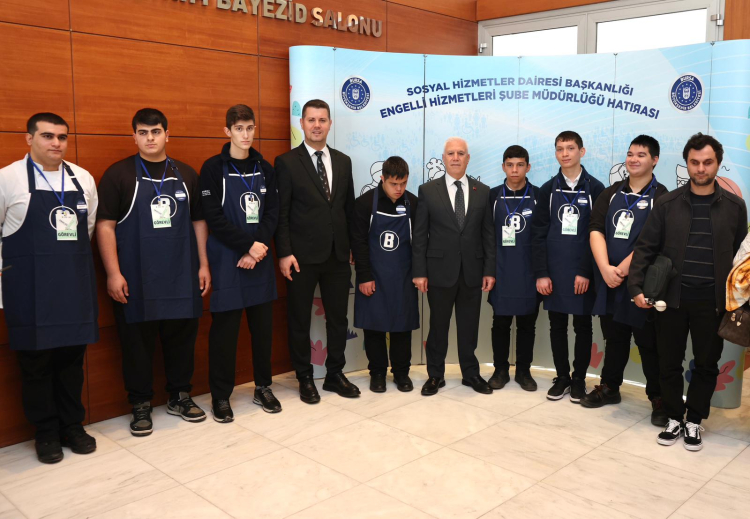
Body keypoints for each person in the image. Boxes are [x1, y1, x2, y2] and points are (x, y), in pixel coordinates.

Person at [96, 108, 211, 436]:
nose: (150, 138)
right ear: (134, 136)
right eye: (143, 132)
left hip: (181, 274)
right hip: (136, 278)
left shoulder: (186, 174)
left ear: (167, 135)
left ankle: (179, 396)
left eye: (156, 131)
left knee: (182, 340)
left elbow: (198, 221)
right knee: (136, 345)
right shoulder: (118, 174)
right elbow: (104, 226)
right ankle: (140, 403)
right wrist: (113, 273)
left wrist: (203, 264)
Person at [629, 133, 747, 451]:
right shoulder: (667, 204)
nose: (700, 168)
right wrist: (636, 286)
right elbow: (645, 247)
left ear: (717, 164)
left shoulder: (735, 207)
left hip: (713, 303)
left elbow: (741, 258)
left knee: (707, 364)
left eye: (707, 162)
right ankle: (673, 417)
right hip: (671, 300)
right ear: (687, 163)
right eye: (694, 162)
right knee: (669, 363)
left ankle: (694, 420)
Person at [0, 113, 99, 463]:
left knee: (71, 362)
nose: (56, 143)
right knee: (36, 364)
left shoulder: (82, 179)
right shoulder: (8, 178)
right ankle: (45, 433)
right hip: (29, 290)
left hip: (73, 285)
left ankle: (73, 426)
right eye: (47, 136)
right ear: (29, 139)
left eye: (62, 136)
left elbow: (87, 228)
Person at [275, 99, 359, 403]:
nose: (316, 125)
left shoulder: (343, 161)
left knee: (338, 319)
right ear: (302, 123)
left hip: (337, 255)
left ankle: (335, 374)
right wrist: (284, 252)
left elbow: (348, 209)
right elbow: (281, 213)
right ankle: (305, 377)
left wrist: (352, 247)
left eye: (322, 120)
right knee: (299, 319)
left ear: (330, 124)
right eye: (311, 120)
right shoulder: (286, 162)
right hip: (300, 257)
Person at [200, 104, 281, 422]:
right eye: (238, 129)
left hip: (259, 261)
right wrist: (247, 246)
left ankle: (263, 387)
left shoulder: (265, 168)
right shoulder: (212, 168)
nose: (245, 134)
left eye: (249, 128)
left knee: (262, 331)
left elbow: (272, 213)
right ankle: (220, 396)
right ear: (227, 131)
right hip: (227, 262)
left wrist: (256, 249)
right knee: (224, 335)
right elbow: (214, 217)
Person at [583, 135, 668, 426]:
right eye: (630, 154)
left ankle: (659, 398)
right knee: (614, 338)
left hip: (642, 285)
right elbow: (595, 229)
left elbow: (655, 240)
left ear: (654, 160)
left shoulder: (662, 196)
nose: (633, 159)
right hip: (610, 281)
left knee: (649, 343)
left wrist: (622, 269)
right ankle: (610, 387)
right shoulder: (610, 193)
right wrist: (605, 268)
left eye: (641, 155)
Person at [412, 137, 496, 395]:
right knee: (438, 326)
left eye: (461, 153)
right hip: (439, 272)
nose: (456, 158)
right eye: (451, 153)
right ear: (444, 158)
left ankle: (470, 374)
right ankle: (435, 375)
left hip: (472, 271)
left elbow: (488, 234)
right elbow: (420, 235)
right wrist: (419, 272)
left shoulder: (483, 191)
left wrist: (489, 270)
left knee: (469, 327)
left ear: (468, 158)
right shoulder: (428, 190)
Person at [532, 131, 605, 402]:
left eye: (570, 148)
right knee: (557, 326)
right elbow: (538, 234)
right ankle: (562, 377)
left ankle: (578, 379)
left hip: (582, 272)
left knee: (583, 326)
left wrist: (586, 271)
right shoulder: (548, 189)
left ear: (581, 152)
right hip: (554, 272)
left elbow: (598, 234)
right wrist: (542, 273)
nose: (565, 153)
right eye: (560, 148)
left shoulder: (596, 188)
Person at [351, 156, 419, 392]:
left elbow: (419, 243)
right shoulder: (364, 203)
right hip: (374, 276)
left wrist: (419, 274)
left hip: (403, 277)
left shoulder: (414, 204)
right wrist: (364, 276)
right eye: (393, 184)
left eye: (403, 183)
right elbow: (359, 242)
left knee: (402, 326)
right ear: (382, 179)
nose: (399, 189)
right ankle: (377, 373)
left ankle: (401, 373)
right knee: (374, 327)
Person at [487, 145, 540, 391]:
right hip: (502, 271)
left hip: (529, 272)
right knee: (500, 323)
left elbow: (543, 238)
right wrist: (489, 271)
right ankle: (500, 370)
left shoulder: (539, 196)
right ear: (503, 167)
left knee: (527, 325)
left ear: (528, 167)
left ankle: (523, 371)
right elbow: (486, 237)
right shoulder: (492, 196)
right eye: (510, 165)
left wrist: (542, 273)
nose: (515, 170)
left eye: (520, 165)